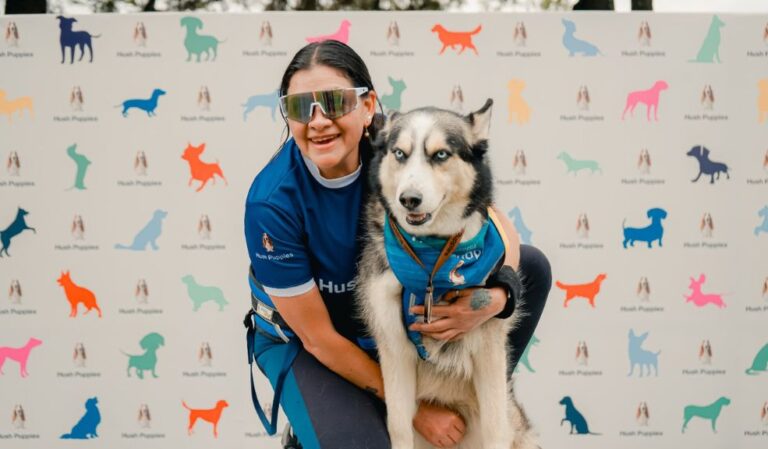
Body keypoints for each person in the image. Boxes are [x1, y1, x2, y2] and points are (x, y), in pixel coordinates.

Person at [244, 40, 552, 449]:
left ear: (368, 106)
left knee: (529, 266)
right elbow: (318, 337)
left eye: (334, 102)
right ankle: (318, 426)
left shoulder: (397, 144)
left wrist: (494, 300)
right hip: (310, 342)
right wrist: (415, 412)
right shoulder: (272, 201)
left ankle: (467, 400)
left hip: (389, 323)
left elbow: (496, 227)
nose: (318, 121)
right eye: (301, 107)